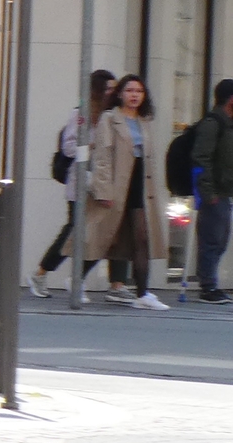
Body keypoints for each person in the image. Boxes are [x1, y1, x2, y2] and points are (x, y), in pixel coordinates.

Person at [82, 72, 169, 309]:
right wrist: (103, 189)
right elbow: (102, 157)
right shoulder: (110, 118)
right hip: (116, 185)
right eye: (130, 91)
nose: (134, 95)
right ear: (120, 94)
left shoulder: (143, 121)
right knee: (104, 237)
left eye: (139, 91)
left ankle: (143, 293)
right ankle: (77, 281)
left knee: (141, 238)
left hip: (139, 184)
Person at [31, 68, 113, 297]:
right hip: (81, 182)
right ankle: (42, 273)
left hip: (102, 182)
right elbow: (68, 147)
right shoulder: (81, 114)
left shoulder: (111, 116)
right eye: (108, 88)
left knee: (101, 234)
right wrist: (91, 148)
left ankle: (74, 278)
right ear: (98, 90)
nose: (112, 93)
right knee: (74, 232)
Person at [189, 76, 233, 303]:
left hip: (224, 192)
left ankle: (210, 283)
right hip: (214, 193)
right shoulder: (213, 124)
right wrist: (208, 193)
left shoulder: (227, 124)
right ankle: (207, 286)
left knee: (221, 239)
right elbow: (201, 158)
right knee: (212, 240)